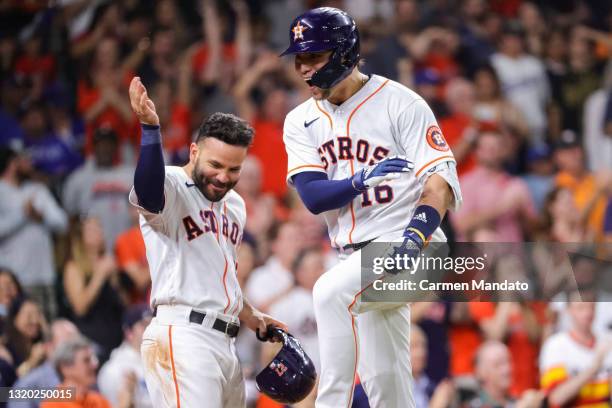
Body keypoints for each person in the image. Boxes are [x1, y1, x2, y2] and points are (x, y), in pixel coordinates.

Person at [280, 8, 461, 407]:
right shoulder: (300, 121)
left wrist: (416, 235)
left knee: (328, 292)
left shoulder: (401, 103)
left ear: (344, 53)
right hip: (357, 265)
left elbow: (439, 184)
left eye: (313, 56)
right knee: (387, 385)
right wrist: (360, 179)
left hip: (415, 246)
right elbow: (312, 197)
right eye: (299, 58)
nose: (303, 68)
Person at [127, 76, 287, 407]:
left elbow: (219, 276)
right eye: (215, 165)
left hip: (225, 344)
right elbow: (148, 191)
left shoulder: (235, 205)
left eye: (233, 169)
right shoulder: (171, 183)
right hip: (184, 334)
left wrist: (251, 315)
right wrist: (151, 131)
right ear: (195, 151)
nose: (223, 177)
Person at [0, 147, 67, 317]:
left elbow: (62, 223)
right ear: (12, 163)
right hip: (16, 278)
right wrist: (22, 214)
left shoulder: (37, 190)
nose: (30, 164)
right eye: (24, 160)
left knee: (48, 328)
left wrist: (41, 216)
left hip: (45, 275)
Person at [540, 299, 612, 406]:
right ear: (568, 310)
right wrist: (594, 368)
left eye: (591, 307)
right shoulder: (556, 345)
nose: (588, 313)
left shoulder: (607, 340)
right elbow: (554, 399)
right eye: (581, 307)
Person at [8, 319, 80, 408]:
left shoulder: (87, 379)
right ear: (48, 347)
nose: (76, 352)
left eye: (78, 345)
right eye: (68, 346)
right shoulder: (27, 385)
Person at [98, 304, 153, 408]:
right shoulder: (114, 369)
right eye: (144, 324)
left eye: (152, 324)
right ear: (129, 332)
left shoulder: (162, 359)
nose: (150, 329)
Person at [41, 337, 111, 408]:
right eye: (86, 360)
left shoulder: (99, 401)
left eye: (93, 359)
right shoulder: (53, 405)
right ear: (66, 368)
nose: (94, 364)